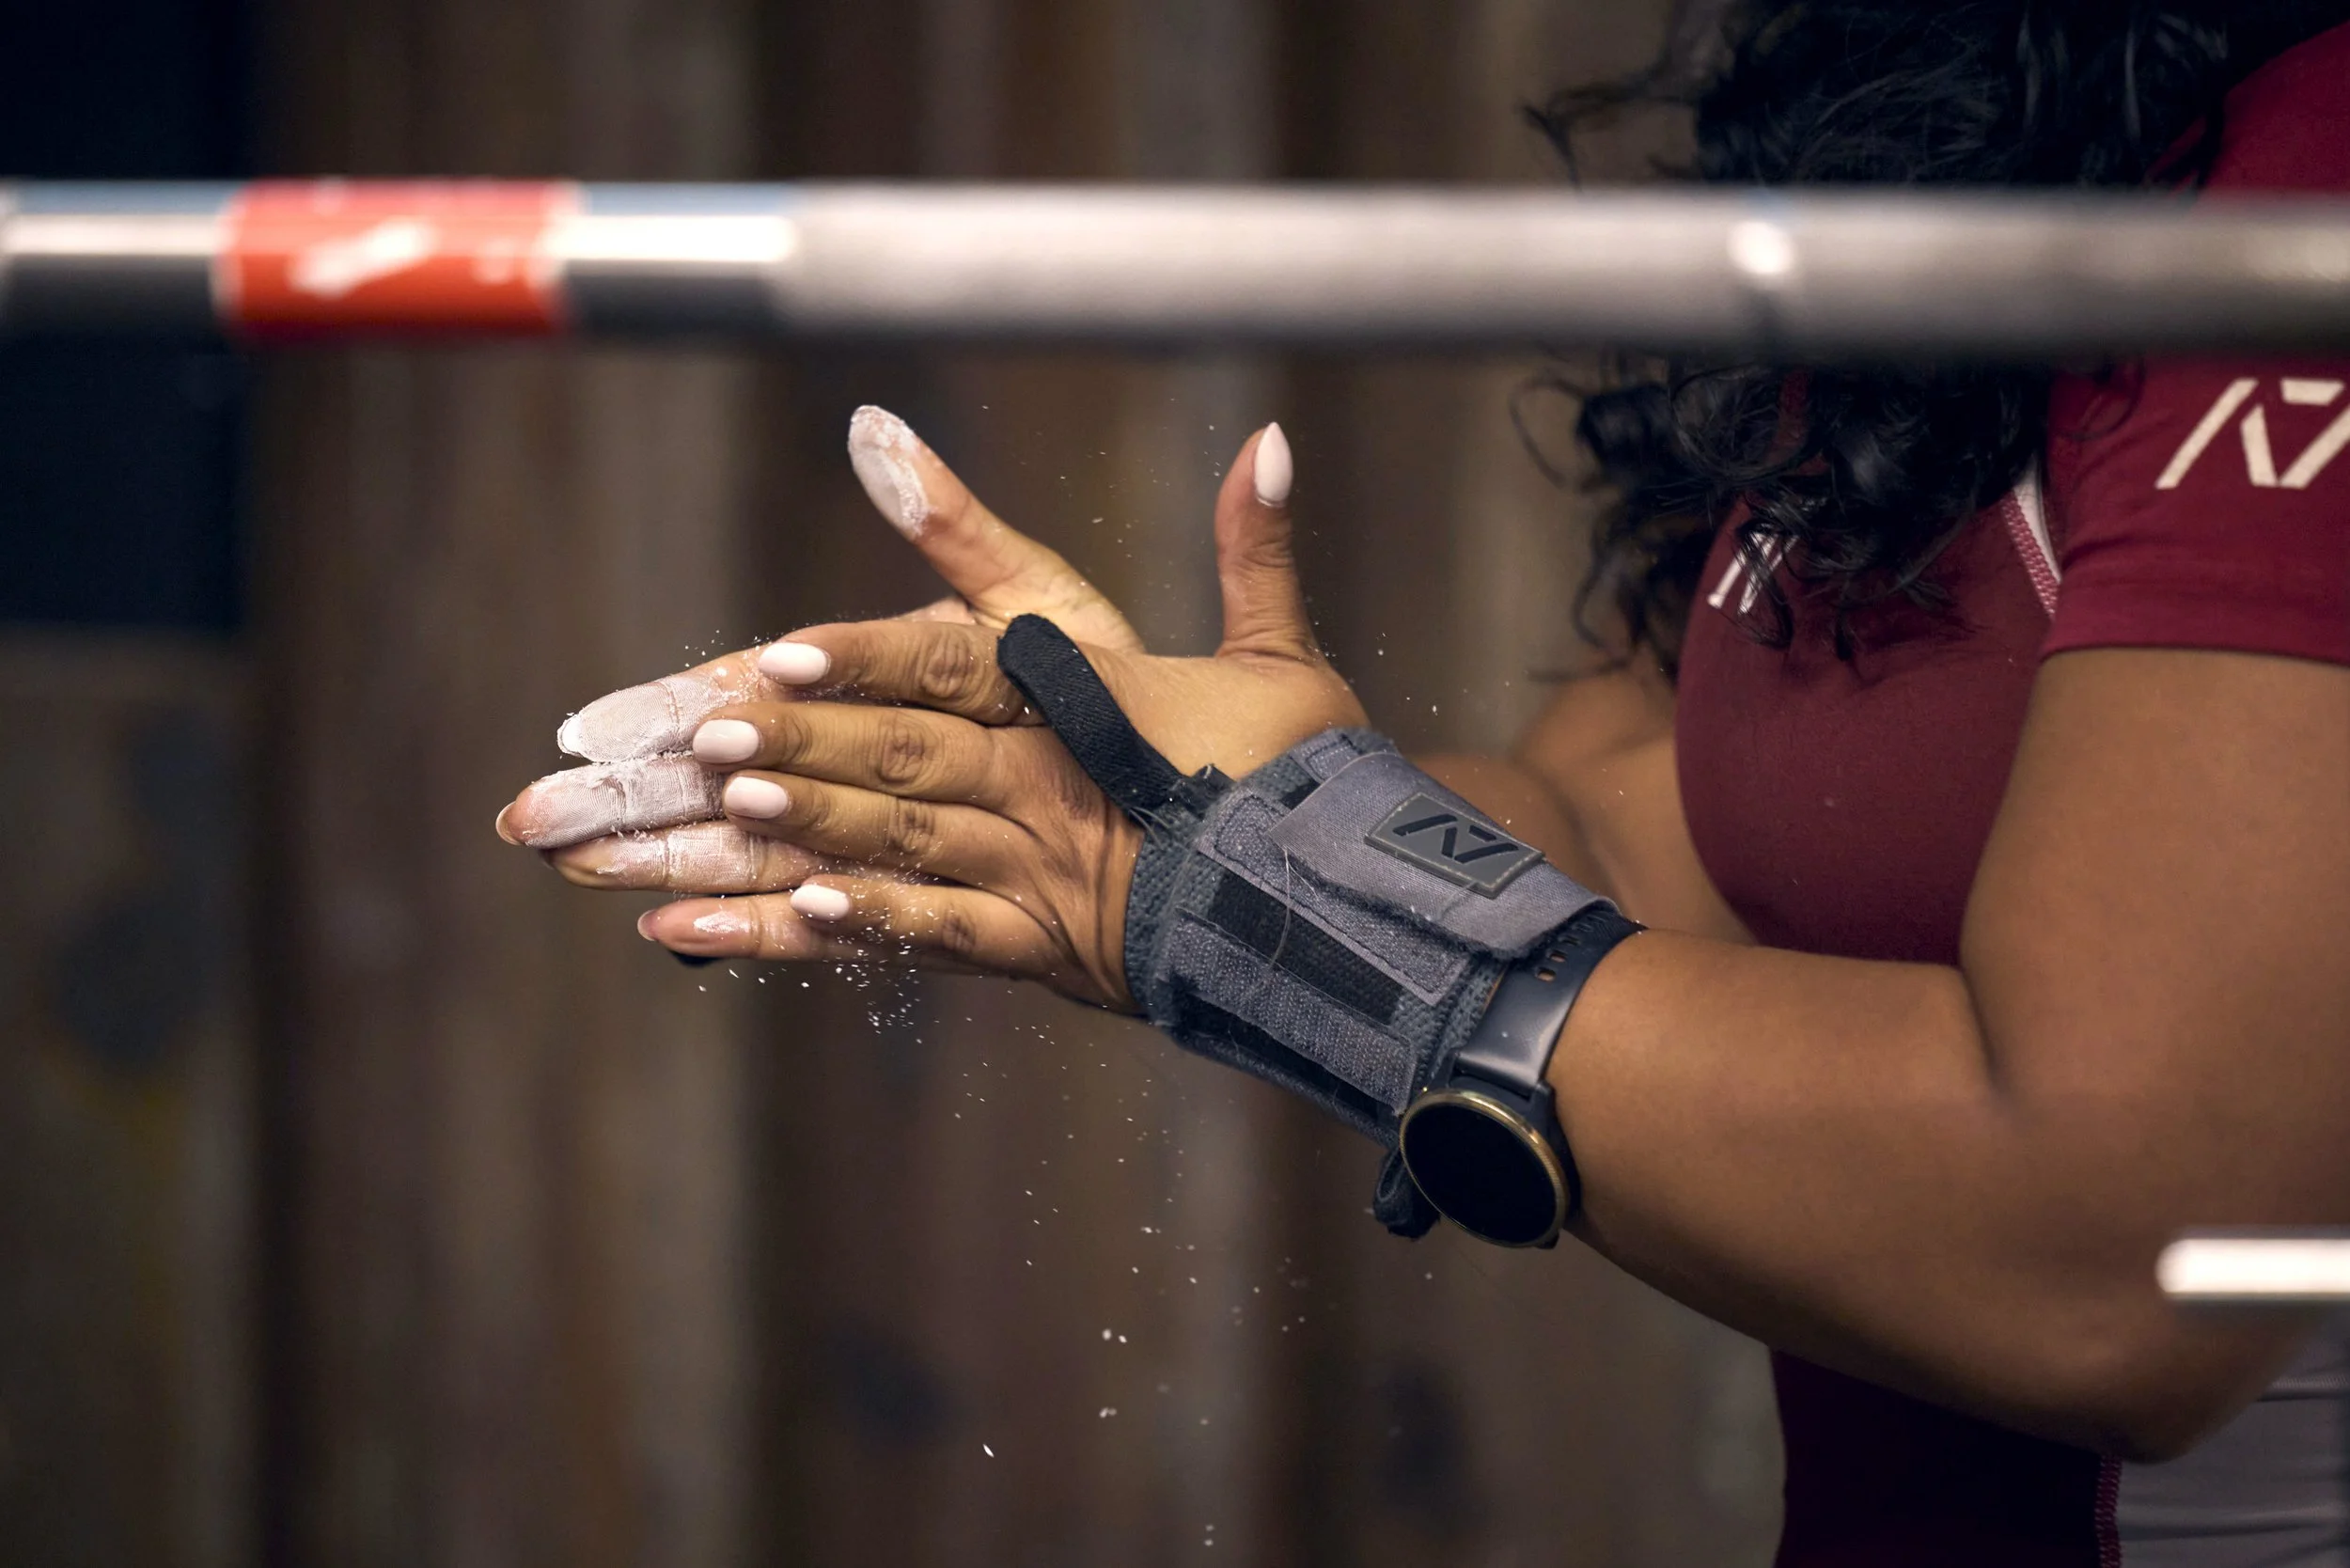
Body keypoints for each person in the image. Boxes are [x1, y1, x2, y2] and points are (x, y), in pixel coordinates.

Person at [497, 4, 2350, 1561]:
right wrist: (1156, 808)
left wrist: (1314, 910)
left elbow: (2122, 1261)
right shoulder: (1959, 117)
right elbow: (1644, 831)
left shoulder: (2307, 174)